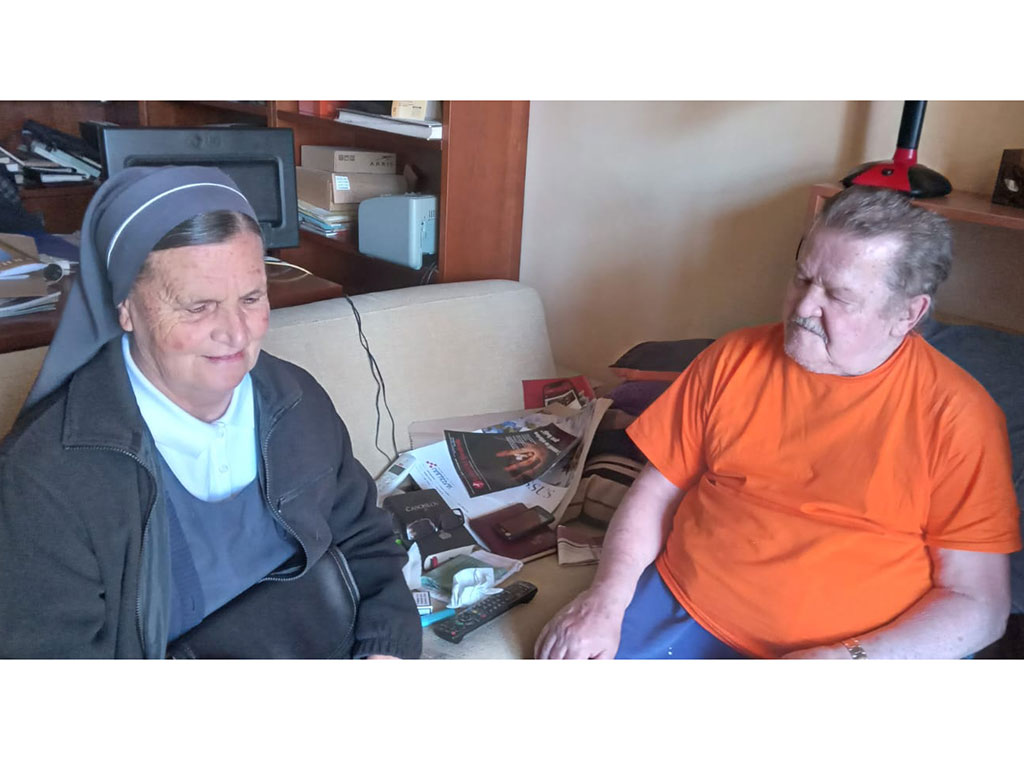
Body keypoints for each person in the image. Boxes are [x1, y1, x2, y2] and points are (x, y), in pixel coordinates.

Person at [535, 185, 1021, 660]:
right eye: (802, 279)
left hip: (856, 654)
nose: (804, 307)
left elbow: (979, 604)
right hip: (680, 607)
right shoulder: (732, 358)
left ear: (908, 314)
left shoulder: (959, 416)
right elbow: (656, 492)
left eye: (839, 296)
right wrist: (606, 600)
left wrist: (848, 661)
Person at [0, 166, 421, 659]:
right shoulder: (44, 480)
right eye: (198, 306)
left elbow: (365, 542)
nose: (237, 333)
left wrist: (385, 653)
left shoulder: (297, 400)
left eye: (251, 298)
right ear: (125, 307)